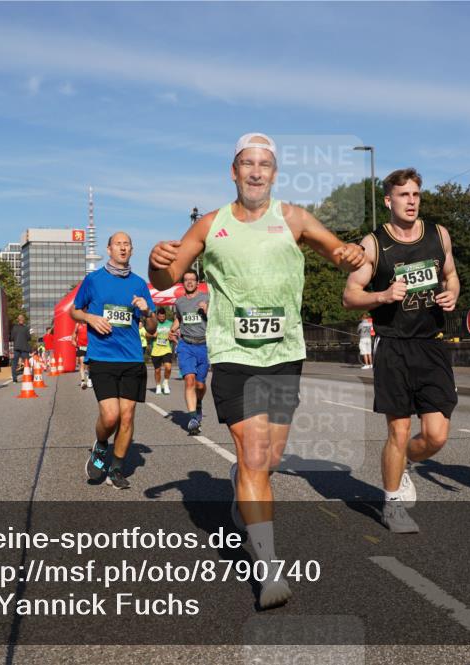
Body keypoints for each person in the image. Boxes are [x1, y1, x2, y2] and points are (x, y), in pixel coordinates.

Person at [149, 132, 366, 608]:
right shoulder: (211, 224)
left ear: (274, 172)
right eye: (247, 163)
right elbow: (164, 278)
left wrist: (349, 253)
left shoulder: (294, 218)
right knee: (252, 456)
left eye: (264, 164)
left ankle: (239, 490)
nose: (255, 171)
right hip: (231, 354)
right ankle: (268, 569)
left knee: (266, 460)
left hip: (284, 353)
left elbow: (338, 252)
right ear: (233, 171)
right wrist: (155, 262)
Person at [343, 168, 460, 535]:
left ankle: (405, 461)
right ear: (388, 200)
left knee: (437, 434)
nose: (411, 201)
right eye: (404, 195)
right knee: (397, 430)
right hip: (393, 346)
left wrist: (452, 292)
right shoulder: (374, 244)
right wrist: (381, 295)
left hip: (432, 346)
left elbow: (451, 274)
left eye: (416, 195)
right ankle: (392, 502)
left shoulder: (439, 235)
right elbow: (349, 295)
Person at [72, 231, 157, 490]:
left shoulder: (140, 284)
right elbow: (75, 310)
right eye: (118, 244)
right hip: (103, 357)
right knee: (110, 418)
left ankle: (117, 469)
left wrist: (146, 311)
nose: (123, 248)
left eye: (127, 244)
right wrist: (90, 318)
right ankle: (100, 447)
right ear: (109, 249)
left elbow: (152, 328)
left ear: (131, 250)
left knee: (127, 416)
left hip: (132, 358)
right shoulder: (94, 280)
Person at [170, 269, 209, 435]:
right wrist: (172, 330)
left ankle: (198, 402)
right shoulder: (179, 302)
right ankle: (193, 419)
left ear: (197, 282)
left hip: (204, 345)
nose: (189, 282)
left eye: (192, 280)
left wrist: (208, 311)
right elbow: (179, 318)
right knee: (189, 380)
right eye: (186, 280)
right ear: (183, 283)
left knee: (200, 385)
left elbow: (220, 318)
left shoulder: (207, 299)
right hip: (186, 345)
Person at [148, 308, 175, 394]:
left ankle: (166, 382)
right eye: (160, 317)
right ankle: (158, 386)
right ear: (157, 316)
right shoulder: (154, 324)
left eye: (163, 317)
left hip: (167, 349)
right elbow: (145, 334)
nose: (162, 318)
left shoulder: (170, 324)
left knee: (168, 367)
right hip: (156, 350)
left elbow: (175, 333)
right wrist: (152, 335)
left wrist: (172, 336)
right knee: (157, 370)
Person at [10, 314, 31, 382]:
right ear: (23, 320)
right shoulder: (26, 328)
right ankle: (27, 377)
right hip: (24, 348)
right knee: (26, 364)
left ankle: (14, 379)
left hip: (16, 348)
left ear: (18, 320)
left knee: (14, 364)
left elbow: (12, 338)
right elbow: (29, 338)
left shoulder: (14, 327)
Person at [73, 320, 91, 389]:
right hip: (81, 347)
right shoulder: (77, 324)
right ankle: (83, 381)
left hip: (89, 347)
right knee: (82, 364)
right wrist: (74, 340)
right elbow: (74, 333)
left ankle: (89, 379)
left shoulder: (89, 324)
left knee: (89, 365)